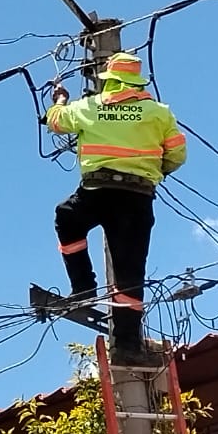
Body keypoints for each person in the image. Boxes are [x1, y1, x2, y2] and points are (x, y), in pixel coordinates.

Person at [45, 51, 186, 366]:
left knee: (67, 217)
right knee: (129, 274)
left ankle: (83, 288)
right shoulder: (158, 113)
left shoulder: (89, 107)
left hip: (97, 190)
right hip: (136, 198)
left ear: (107, 80)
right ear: (136, 82)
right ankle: (126, 346)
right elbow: (177, 155)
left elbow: (55, 121)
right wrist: (154, 172)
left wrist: (59, 97)